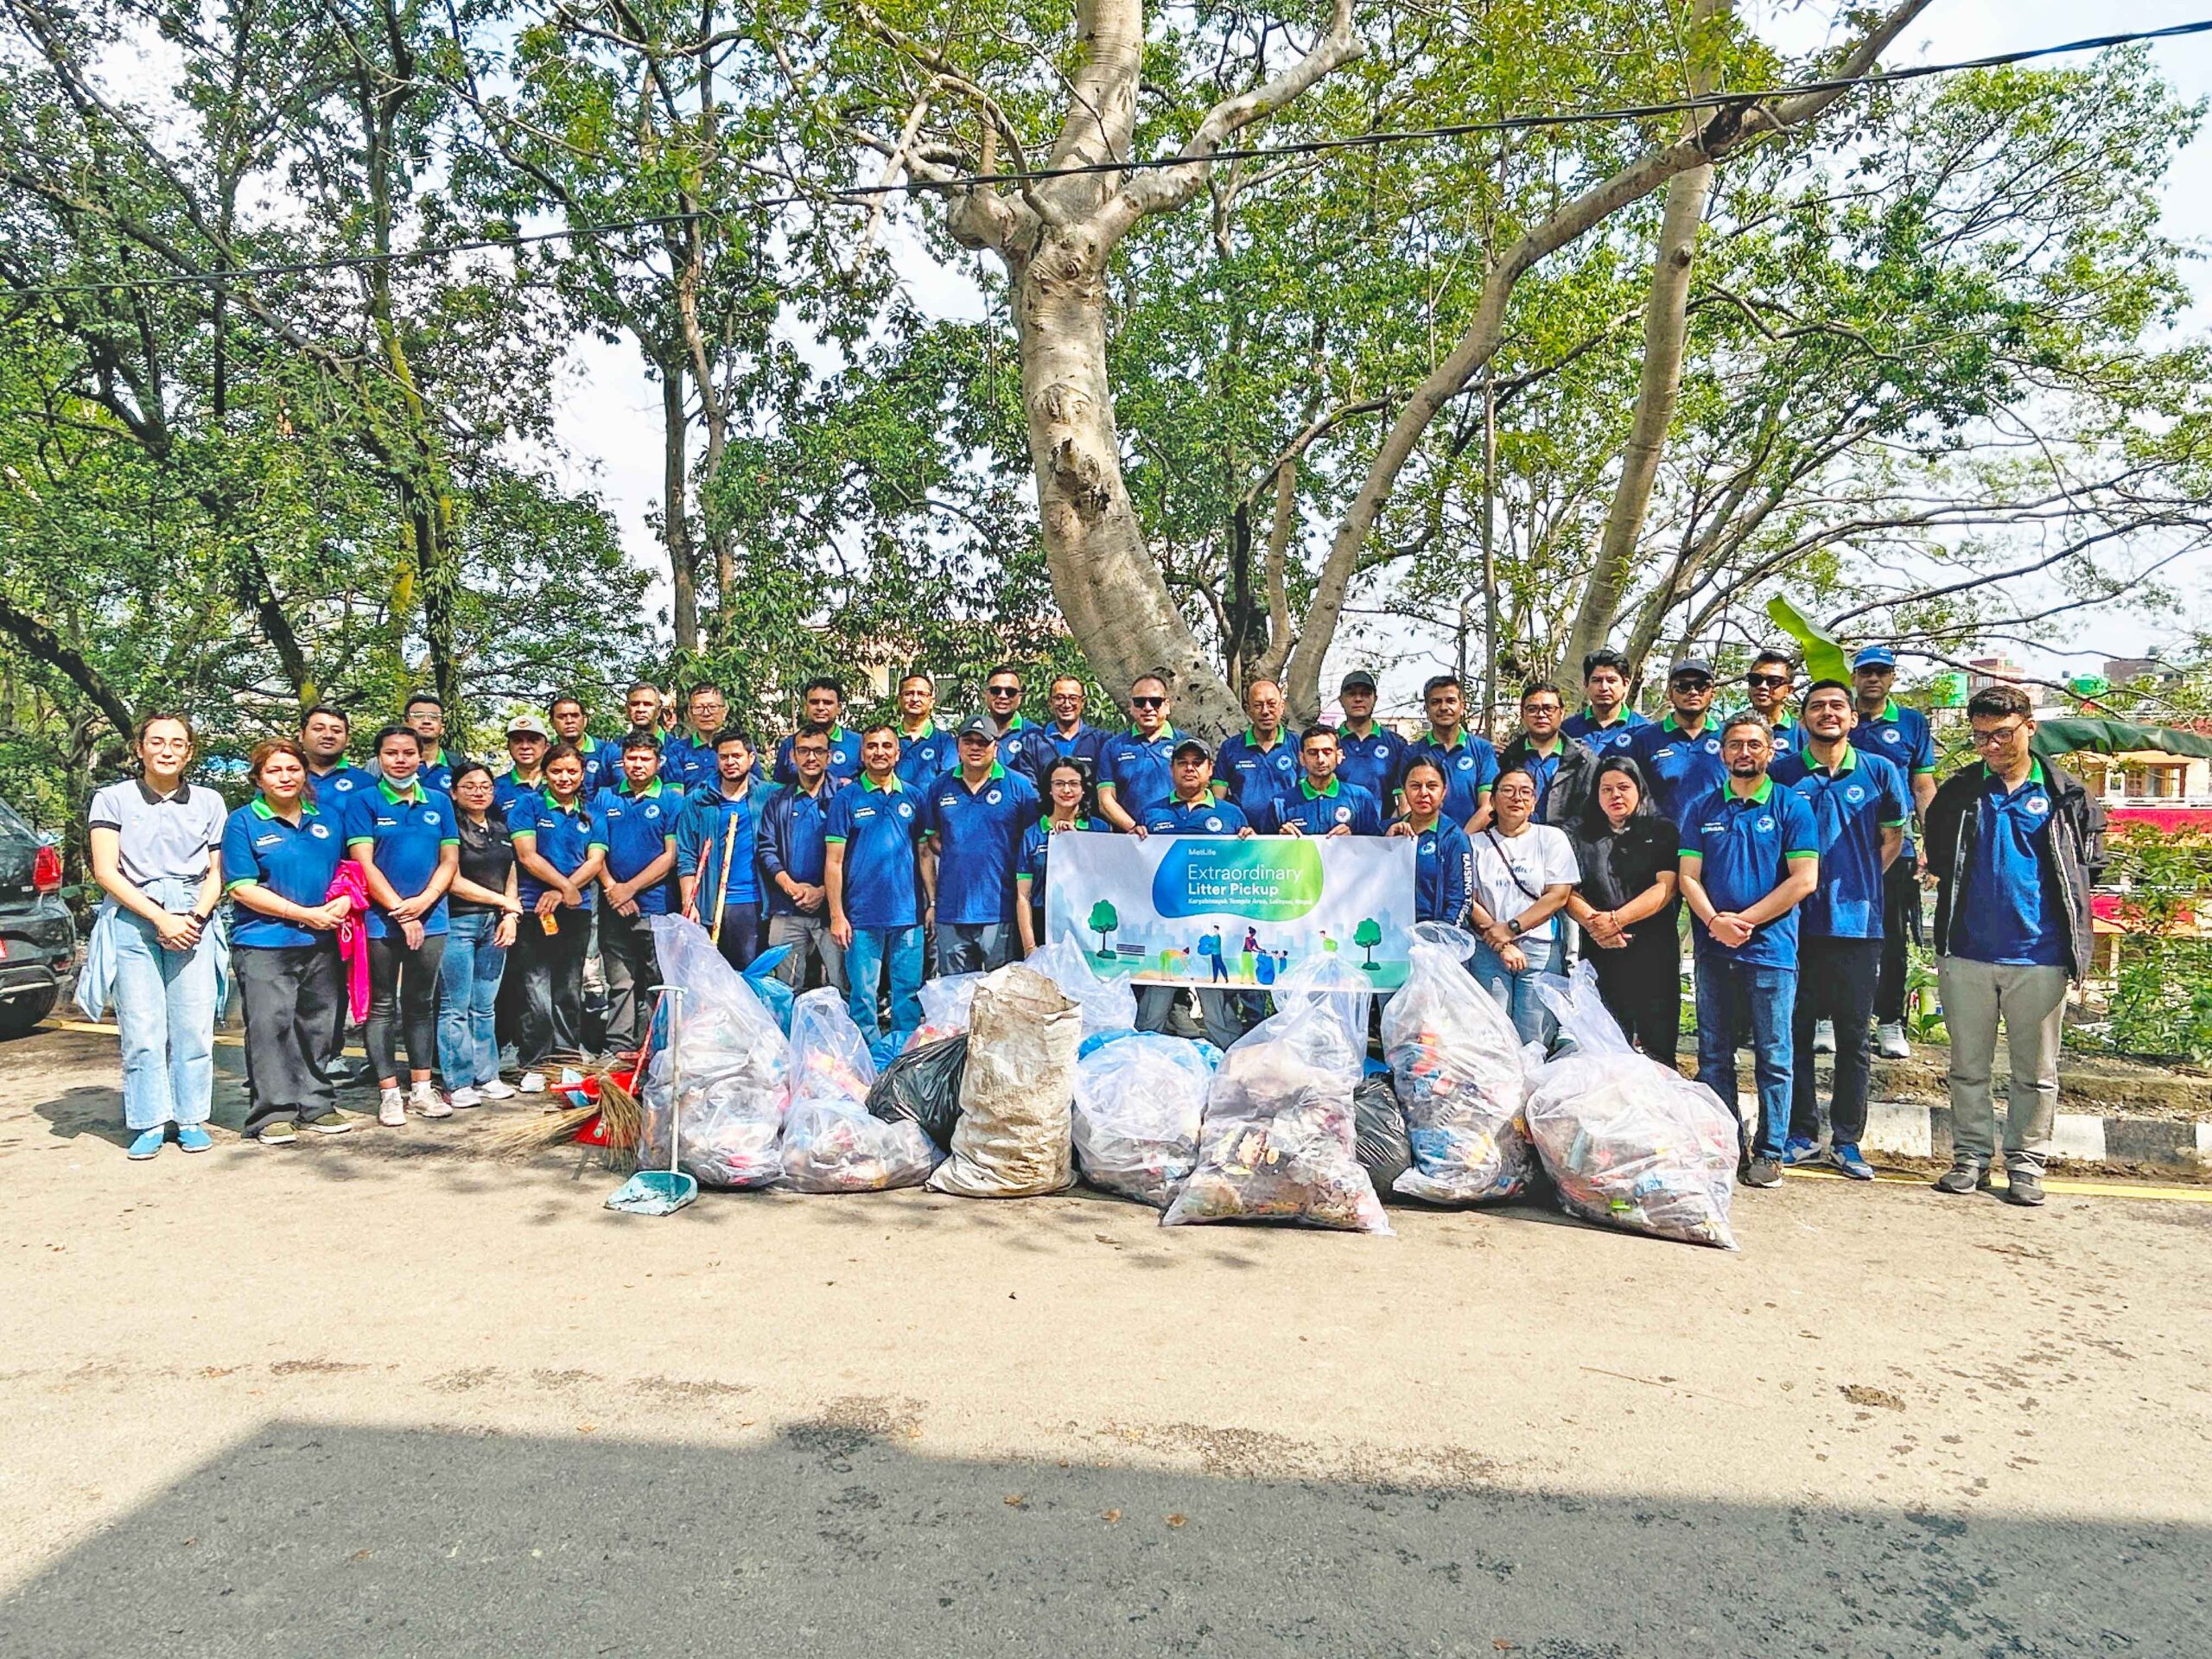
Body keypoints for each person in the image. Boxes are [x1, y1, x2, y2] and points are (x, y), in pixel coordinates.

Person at [1923, 684, 2103, 1208]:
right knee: (1967, 1066)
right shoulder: (1959, 792)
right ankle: (1971, 1158)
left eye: (2002, 734)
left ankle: (2026, 1164)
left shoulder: (2066, 794)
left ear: (2030, 727)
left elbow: (2087, 868)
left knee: (2036, 1072)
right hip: (1968, 951)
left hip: (2041, 956)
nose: (1992, 746)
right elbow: (1938, 856)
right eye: (1981, 737)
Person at [1771, 680, 1908, 1181]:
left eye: (1837, 706)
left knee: (1854, 1038)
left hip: (1858, 925)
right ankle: (1802, 1132)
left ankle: (1847, 1140)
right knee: (1796, 1031)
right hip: (1795, 925)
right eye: (1816, 706)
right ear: (1802, 717)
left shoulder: (1880, 771)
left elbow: (1892, 838)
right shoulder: (1783, 773)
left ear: (1853, 718)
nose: (1827, 713)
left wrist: (1862, 881)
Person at [1677, 714, 1820, 1188]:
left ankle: (1771, 1150)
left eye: (1754, 745)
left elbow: (1804, 879)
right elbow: (1688, 877)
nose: (1744, 752)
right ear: (1722, 752)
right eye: (1735, 744)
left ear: (1770, 751)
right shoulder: (1702, 808)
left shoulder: (1790, 807)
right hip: (1715, 949)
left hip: (1771, 951)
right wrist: (1716, 922)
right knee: (1714, 1054)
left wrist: (1746, 922)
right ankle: (1727, 1142)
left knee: (1774, 1056)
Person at [86, 715, 227, 1160]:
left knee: (194, 1027)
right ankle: (148, 1120)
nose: (167, 750)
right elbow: (106, 870)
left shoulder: (209, 802)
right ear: (139, 748)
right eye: (157, 742)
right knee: (143, 1028)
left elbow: (217, 872)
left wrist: (194, 919)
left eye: (177, 743)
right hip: (133, 913)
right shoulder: (112, 799)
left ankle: (190, 1119)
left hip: (194, 914)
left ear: (189, 752)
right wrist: (160, 918)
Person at [221, 739, 358, 1144]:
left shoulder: (328, 818)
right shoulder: (243, 822)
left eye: (292, 769)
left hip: (323, 941)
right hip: (264, 941)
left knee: (320, 1026)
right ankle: (272, 1112)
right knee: (270, 1026)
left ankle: (316, 1104)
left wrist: (347, 898)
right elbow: (242, 888)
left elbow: (349, 869)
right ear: (258, 778)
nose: (285, 777)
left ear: (304, 773)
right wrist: (303, 914)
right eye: (274, 771)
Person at [344, 724, 460, 1125]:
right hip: (381, 920)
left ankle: (422, 1089)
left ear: (420, 757)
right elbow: (364, 862)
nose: (400, 759)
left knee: (420, 1004)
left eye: (408, 753)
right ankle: (389, 1092)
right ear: (380, 758)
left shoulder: (440, 802)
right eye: (391, 753)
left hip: (433, 917)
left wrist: (424, 903)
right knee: (381, 1006)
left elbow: (449, 862)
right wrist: (400, 910)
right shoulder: (365, 801)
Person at [1848, 645, 1939, 1059]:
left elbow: (1922, 786)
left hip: (1895, 849)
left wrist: (1932, 841)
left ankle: (1889, 1022)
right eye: (1866, 671)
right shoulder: (1837, 719)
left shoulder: (1911, 723)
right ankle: (1831, 1018)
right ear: (1855, 676)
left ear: (1892, 678)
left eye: (1881, 672)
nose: (1873, 679)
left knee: (1892, 939)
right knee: (1832, 936)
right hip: (1840, 848)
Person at [1135, 740, 1255, 1051]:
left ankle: (1229, 1064)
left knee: (1217, 1005)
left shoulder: (1231, 815)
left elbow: (1246, 867)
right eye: (1182, 762)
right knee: (1154, 1005)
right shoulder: (1152, 813)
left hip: (1212, 924)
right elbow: (1135, 867)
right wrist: (1135, 840)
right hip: (1164, 924)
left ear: (1210, 769)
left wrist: (1253, 842)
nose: (1190, 768)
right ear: (1172, 769)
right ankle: (1144, 1060)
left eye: (1197, 762)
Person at [1564, 756, 1681, 1065]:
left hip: (1653, 952)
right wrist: (1596, 925)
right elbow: (1566, 891)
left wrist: (1616, 920)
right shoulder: (1578, 835)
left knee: (1658, 1045)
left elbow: (1666, 887)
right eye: (1606, 789)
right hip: (1601, 949)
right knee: (1606, 1045)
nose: (1615, 795)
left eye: (1623, 788)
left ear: (1639, 790)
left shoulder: (1662, 831)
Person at [508, 742, 601, 1092]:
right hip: (535, 909)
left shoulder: (590, 813)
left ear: (581, 775)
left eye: (572, 772)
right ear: (545, 773)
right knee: (535, 988)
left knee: (568, 987)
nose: (565, 778)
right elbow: (527, 856)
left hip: (575, 911)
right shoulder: (527, 806)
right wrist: (562, 886)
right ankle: (534, 1062)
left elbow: (594, 861)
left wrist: (563, 891)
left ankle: (566, 1058)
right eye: (557, 771)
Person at [825, 725, 929, 1042]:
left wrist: (933, 903)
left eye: (887, 746)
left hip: (908, 914)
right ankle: (867, 1063)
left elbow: (924, 854)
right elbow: (833, 861)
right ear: (863, 752)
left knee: (908, 993)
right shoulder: (846, 799)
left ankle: (906, 1059)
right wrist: (837, 914)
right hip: (861, 916)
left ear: (897, 754)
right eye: (872, 746)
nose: (879, 752)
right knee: (863, 996)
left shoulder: (914, 796)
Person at [1464, 767, 1580, 1046]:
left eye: (1525, 792)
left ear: (1534, 801)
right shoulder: (1474, 843)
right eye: (1507, 790)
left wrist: (1512, 928)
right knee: (1491, 1036)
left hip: (1539, 949)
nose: (1516, 798)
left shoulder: (1551, 838)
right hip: (1489, 949)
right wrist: (1501, 941)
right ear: (1492, 800)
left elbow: (1558, 895)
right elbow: (1470, 898)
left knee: (1535, 1037)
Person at [919, 715, 1043, 974]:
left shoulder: (1019, 786)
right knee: (955, 997)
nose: (975, 747)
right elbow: (932, 839)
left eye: (983, 742)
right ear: (958, 746)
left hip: (1000, 909)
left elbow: (1033, 840)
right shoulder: (940, 786)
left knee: (999, 997)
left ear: (996, 747)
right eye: (969, 741)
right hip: (952, 910)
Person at [435, 761, 521, 1109]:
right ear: (454, 793)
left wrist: (510, 912)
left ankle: (488, 1076)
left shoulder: (500, 828)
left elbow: (511, 871)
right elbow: (452, 880)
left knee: (485, 1007)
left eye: (485, 785)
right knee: (455, 1006)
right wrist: (502, 900)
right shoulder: (449, 829)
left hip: (495, 924)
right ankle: (457, 1082)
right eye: (469, 786)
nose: (478, 791)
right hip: (458, 923)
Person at [297, 703, 374, 1084]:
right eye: (319, 728)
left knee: (341, 974)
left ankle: (335, 1052)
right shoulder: (289, 774)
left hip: (349, 892)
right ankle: (299, 1056)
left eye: (336, 730)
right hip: (298, 887)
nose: (328, 735)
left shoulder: (362, 782)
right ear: (302, 735)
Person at [594, 734, 678, 1054]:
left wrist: (630, 888)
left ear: (658, 763)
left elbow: (670, 856)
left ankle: (656, 1047)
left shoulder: (671, 800)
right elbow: (595, 850)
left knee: (658, 979)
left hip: (657, 906)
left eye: (645, 759)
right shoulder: (605, 798)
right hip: (612, 904)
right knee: (620, 982)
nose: (638, 765)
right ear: (622, 761)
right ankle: (619, 1048)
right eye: (632, 758)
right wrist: (613, 889)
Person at [759, 723, 846, 994]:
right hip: (787, 907)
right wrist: (791, 888)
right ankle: (788, 1037)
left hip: (834, 911)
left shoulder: (843, 797)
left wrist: (823, 891)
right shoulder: (778, 800)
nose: (811, 758)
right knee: (785, 989)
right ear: (792, 756)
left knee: (841, 986)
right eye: (804, 751)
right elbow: (766, 848)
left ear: (829, 756)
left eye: (819, 751)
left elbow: (852, 853)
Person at [677, 729, 766, 971]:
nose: (730, 762)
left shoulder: (767, 796)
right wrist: (689, 902)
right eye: (724, 756)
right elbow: (686, 855)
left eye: (736, 755)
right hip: (709, 903)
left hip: (751, 902)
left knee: (746, 977)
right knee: (709, 977)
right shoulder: (698, 800)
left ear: (751, 758)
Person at [1015, 758, 1109, 956]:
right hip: (1044, 925)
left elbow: (1106, 882)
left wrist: (1075, 839)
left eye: (1074, 784)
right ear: (1049, 789)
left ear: (1084, 789)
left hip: (1087, 926)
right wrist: (1029, 947)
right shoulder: (1033, 834)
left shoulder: (1099, 829)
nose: (1066, 790)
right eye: (1059, 784)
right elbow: (1024, 896)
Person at [1624, 657, 1727, 823]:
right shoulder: (1644, 739)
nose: (1692, 692)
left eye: (1701, 686)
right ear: (1670, 693)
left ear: (1712, 694)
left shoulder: (1730, 737)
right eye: (1683, 686)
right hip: (1661, 842)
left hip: (1716, 842)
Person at [1402, 674, 1498, 832]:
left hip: (1472, 841)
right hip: (1423, 844)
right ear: (1427, 709)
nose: (1444, 707)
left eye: (1451, 701)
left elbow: (1488, 806)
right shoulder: (1412, 752)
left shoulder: (1482, 750)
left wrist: (1458, 842)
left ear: (1462, 706)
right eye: (1436, 702)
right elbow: (1406, 807)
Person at [1497, 681, 1600, 825]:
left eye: (1549, 709)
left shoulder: (1584, 760)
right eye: (1533, 709)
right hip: (1516, 843)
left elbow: (1589, 814)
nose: (1541, 715)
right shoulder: (1505, 759)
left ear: (1562, 713)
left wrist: (1555, 842)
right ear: (1522, 714)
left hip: (1568, 844)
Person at [1390, 757, 1471, 926]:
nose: (1423, 793)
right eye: (1415, 786)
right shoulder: (1389, 831)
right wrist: (1387, 845)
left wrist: (1442, 939)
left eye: (1432, 786)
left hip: (1433, 940)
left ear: (1444, 791)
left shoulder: (1454, 838)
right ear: (1404, 791)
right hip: (1390, 936)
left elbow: (1461, 899)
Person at [1095, 675, 1179, 834]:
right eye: (1140, 702)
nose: (1147, 708)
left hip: (1177, 840)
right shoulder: (1113, 747)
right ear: (1131, 707)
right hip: (1130, 841)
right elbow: (1105, 801)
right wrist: (1133, 828)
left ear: (1167, 705)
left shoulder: (1186, 745)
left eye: (1155, 702)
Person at [1213, 678, 1300, 833]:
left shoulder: (1298, 745)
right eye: (1258, 705)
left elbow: (1307, 793)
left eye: (1271, 704)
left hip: (1288, 836)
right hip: (1243, 837)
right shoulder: (1230, 748)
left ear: (1282, 707)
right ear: (1248, 710)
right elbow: (1217, 801)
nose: (1265, 711)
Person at [1273, 726, 1385, 837]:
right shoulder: (1280, 803)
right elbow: (1264, 849)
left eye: (1327, 752)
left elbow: (1376, 847)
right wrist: (1281, 841)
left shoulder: (1361, 797)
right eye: (1312, 753)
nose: (1320, 760)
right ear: (1302, 758)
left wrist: (1353, 838)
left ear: (1339, 756)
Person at [1014, 675, 1108, 787]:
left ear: (1082, 702)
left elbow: (1106, 786)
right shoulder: (1032, 742)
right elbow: (1029, 787)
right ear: (1050, 702)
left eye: (1073, 698)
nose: (1067, 704)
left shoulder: (1101, 741)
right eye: (1059, 698)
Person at [1332, 670, 1407, 804]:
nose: (1358, 699)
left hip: (1383, 824)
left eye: (1365, 694)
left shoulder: (1396, 744)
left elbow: (1404, 799)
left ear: (1375, 699)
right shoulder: (1329, 743)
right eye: (1351, 694)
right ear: (1341, 700)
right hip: (1337, 824)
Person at [775, 678, 862, 786]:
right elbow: (778, 789)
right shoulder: (789, 744)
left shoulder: (858, 743)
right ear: (805, 706)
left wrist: (854, 785)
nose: (820, 708)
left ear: (839, 708)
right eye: (814, 702)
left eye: (827, 703)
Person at [1561, 648, 1650, 753]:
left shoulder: (1644, 729)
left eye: (1611, 681)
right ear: (1585, 685)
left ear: (1626, 684)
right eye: (1597, 680)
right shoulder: (1567, 729)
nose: (1604, 688)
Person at [659, 683, 729, 793]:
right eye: (699, 708)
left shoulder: (739, 747)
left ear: (724, 712)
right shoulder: (678, 750)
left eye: (712, 707)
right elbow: (675, 798)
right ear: (690, 714)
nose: (706, 713)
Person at [893, 672, 957, 786]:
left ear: (932, 701)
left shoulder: (945, 741)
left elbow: (947, 783)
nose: (915, 699)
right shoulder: (886, 740)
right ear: (899, 699)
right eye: (909, 694)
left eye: (922, 694)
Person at [549, 695, 614, 796]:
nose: (569, 721)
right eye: (562, 717)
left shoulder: (607, 751)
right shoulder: (544, 752)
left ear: (585, 720)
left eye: (575, 716)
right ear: (552, 723)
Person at [1745, 650, 1801, 761]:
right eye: (1755, 679)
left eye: (1773, 681)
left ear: (1789, 690)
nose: (1762, 686)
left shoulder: (1802, 734)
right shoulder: (1728, 730)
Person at [493, 712, 551, 819]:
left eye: (533, 741)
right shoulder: (496, 787)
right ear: (509, 746)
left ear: (546, 747)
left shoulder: (560, 783)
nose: (525, 746)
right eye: (517, 741)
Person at [401, 693, 455, 795]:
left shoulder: (457, 765)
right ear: (405, 724)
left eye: (434, 717)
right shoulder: (383, 763)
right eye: (418, 716)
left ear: (442, 728)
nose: (426, 721)